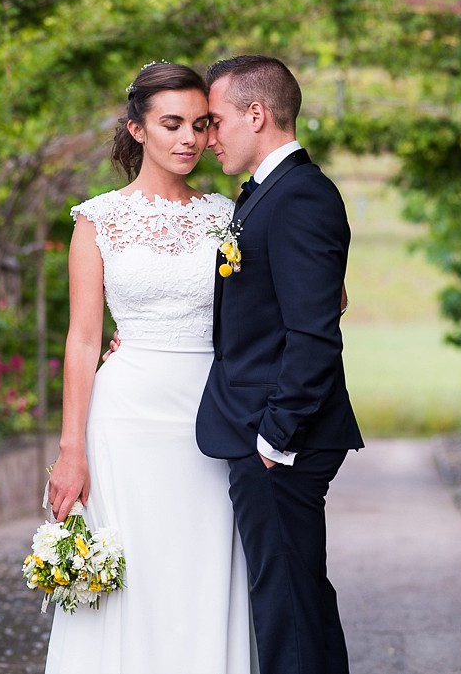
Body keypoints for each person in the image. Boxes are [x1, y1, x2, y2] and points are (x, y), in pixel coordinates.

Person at [43, 62, 255, 674]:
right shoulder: (97, 220)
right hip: (125, 421)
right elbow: (82, 340)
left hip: (210, 418)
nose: (188, 138)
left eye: (200, 124)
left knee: (202, 566)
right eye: (171, 124)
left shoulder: (225, 215)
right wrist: (71, 451)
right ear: (137, 129)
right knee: (133, 571)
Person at [198, 55, 364, 674]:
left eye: (215, 122)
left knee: (285, 605)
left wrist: (274, 435)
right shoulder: (270, 193)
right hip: (269, 430)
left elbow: (314, 336)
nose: (208, 137)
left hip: (281, 439)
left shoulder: (299, 198)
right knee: (297, 599)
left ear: (257, 113)